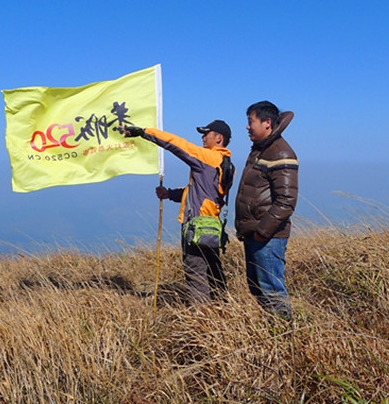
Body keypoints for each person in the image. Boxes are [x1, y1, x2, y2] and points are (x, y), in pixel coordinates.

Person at [122, 120, 233, 305]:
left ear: (219, 138)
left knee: (196, 274)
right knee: (214, 272)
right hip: (212, 228)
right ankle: (223, 310)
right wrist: (170, 194)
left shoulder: (208, 158)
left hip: (196, 228)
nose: (203, 137)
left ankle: (201, 321)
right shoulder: (225, 163)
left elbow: (177, 145)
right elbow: (203, 192)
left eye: (207, 133)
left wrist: (144, 132)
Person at [234, 100, 298, 320]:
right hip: (255, 232)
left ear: (267, 123)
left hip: (267, 236)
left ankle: (283, 337)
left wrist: (262, 231)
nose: (247, 127)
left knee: (272, 291)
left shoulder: (280, 153)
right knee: (259, 289)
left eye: (251, 122)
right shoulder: (262, 150)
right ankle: (271, 334)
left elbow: (287, 200)